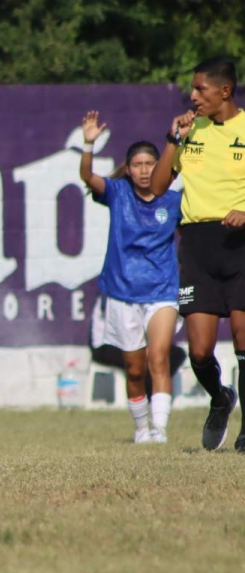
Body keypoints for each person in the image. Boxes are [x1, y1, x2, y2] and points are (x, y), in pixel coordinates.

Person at [151, 57, 245, 451]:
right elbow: (157, 187)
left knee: (244, 344)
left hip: (240, 245)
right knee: (200, 351)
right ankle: (221, 398)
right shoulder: (189, 131)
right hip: (197, 245)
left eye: (200, 89)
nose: (192, 96)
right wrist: (173, 140)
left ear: (224, 91)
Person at [79, 111, 183, 443]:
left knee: (159, 357)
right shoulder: (117, 193)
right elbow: (86, 176)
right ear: (128, 168)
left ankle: (160, 430)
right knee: (135, 370)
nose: (143, 170)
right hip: (123, 292)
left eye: (150, 164)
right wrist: (88, 144)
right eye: (137, 165)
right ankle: (141, 428)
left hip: (163, 290)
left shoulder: (175, 201)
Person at [89, 295, 188, 401]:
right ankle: (146, 399)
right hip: (106, 345)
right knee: (140, 359)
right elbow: (119, 327)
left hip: (135, 343)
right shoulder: (112, 292)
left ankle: (158, 398)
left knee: (175, 354)